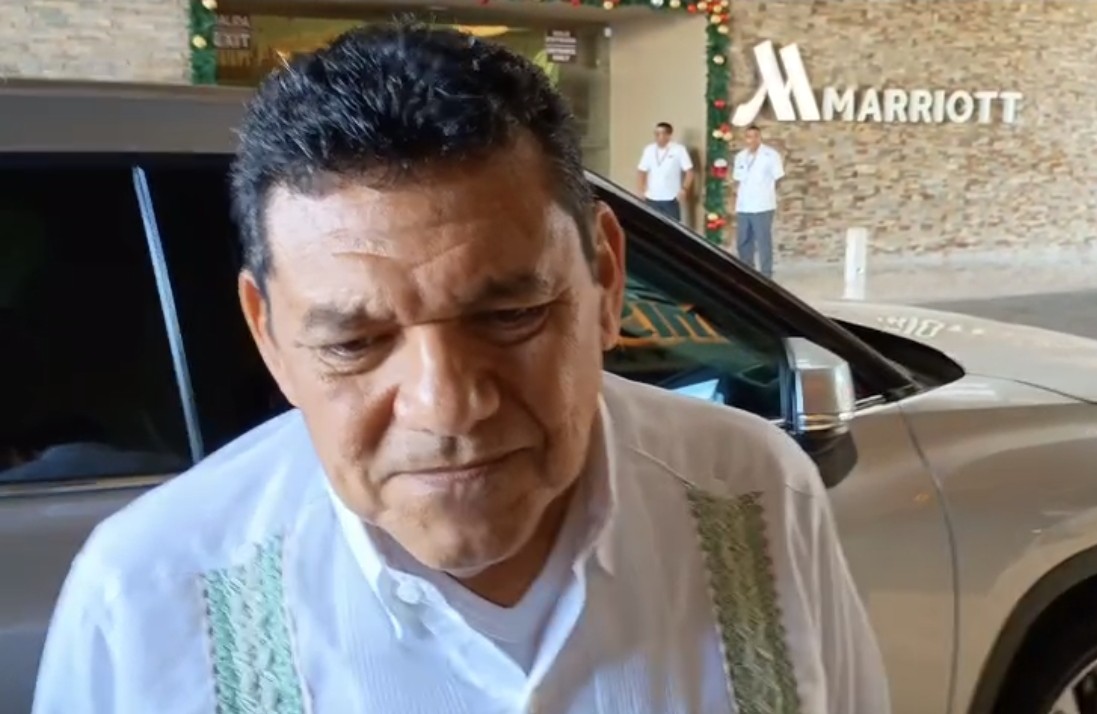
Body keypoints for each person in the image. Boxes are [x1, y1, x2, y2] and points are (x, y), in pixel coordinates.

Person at [33, 21, 889, 713]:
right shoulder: (144, 599)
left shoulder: (753, 493)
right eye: (354, 343)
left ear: (605, 278)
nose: (447, 406)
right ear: (269, 335)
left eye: (510, 316)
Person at [733, 124, 785, 278]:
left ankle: (766, 273)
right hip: (744, 206)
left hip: (763, 205)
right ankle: (747, 271)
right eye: (749, 137)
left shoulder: (771, 155)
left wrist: (766, 192)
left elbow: (779, 178)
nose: (752, 140)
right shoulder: (740, 156)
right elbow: (738, 179)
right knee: (743, 241)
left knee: (763, 241)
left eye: (756, 136)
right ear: (745, 138)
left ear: (760, 137)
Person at [636, 121, 694, 224]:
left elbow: (689, 172)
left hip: (670, 198)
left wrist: (684, 189)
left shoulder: (679, 150)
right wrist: (641, 190)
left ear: (668, 135)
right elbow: (641, 171)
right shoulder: (649, 150)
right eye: (656, 134)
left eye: (661, 134)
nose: (658, 137)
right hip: (651, 198)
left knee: (672, 227)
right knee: (651, 226)